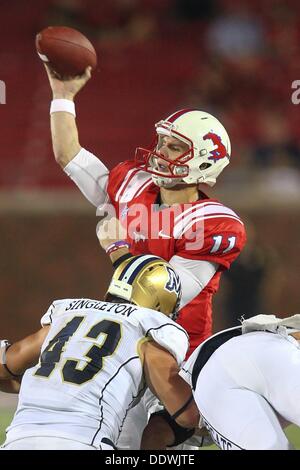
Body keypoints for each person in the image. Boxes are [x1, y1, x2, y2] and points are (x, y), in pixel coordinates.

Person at [43, 64, 246, 448]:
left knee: (150, 442)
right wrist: (63, 95)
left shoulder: (215, 223)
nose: (159, 151)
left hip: (177, 354)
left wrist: (117, 249)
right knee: (106, 437)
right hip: (124, 342)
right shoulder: (132, 182)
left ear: (202, 161)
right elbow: (69, 155)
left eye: (174, 146)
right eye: (162, 141)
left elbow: (162, 293)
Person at [0, 255, 199, 450]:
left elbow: (8, 363)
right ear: (161, 303)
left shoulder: (67, 315)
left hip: (18, 439)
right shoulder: (147, 330)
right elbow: (187, 415)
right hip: (84, 440)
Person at [142, 313, 300, 450]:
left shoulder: (196, 407)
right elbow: (157, 430)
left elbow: (156, 431)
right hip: (269, 343)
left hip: (221, 370)